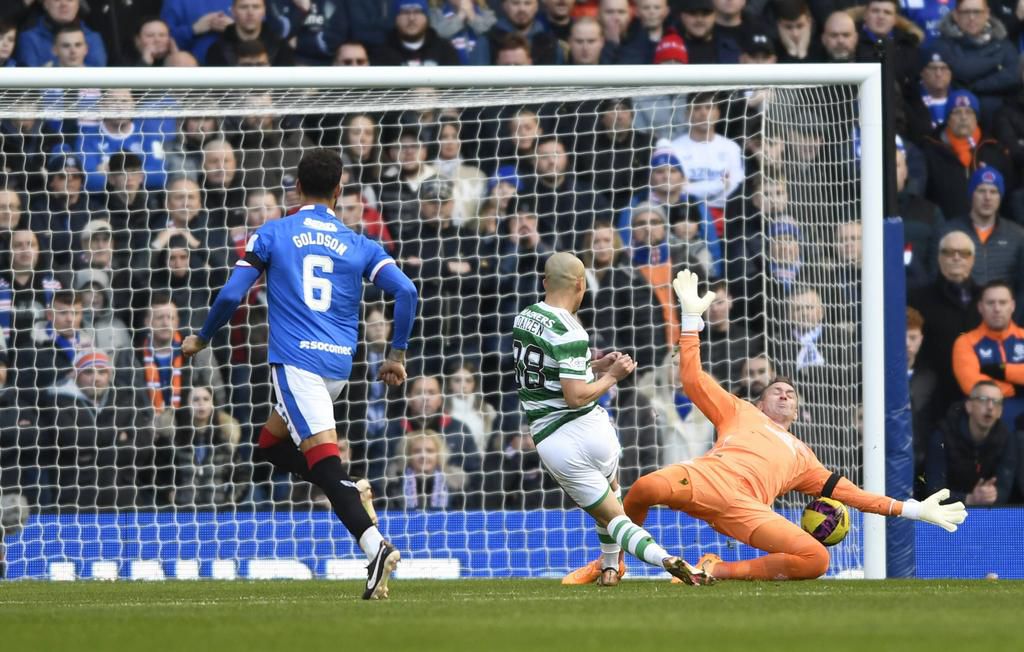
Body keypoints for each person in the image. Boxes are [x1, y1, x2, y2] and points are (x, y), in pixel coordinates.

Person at [566, 270, 968, 583]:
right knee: (644, 488)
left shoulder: (804, 458)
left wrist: (912, 508)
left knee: (816, 559)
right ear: (760, 402)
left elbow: (855, 496)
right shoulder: (740, 411)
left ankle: (716, 569)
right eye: (777, 390)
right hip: (705, 478)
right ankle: (612, 563)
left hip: (747, 509)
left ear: (797, 410)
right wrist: (690, 319)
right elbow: (692, 379)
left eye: (791, 393)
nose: (785, 394)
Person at [182, 147, 418, 600]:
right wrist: (396, 355)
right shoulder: (358, 242)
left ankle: (374, 547)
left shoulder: (272, 233)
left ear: (295, 187)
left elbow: (230, 296)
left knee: (326, 466)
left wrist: (203, 337)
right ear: (339, 190)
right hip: (338, 368)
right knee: (270, 445)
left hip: (296, 364)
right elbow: (406, 291)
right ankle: (349, 489)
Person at [516, 252, 709, 587]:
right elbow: (576, 396)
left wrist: (595, 366)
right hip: (592, 429)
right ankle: (610, 568)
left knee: (612, 516)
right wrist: (613, 376)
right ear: (581, 285)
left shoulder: (525, 318)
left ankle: (663, 558)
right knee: (614, 496)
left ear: (545, 282)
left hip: (554, 438)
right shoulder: (572, 331)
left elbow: (553, 373)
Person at [926, 380, 1018, 505]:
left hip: (988, 512)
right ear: (969, 406)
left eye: (996, 402)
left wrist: (992, 495)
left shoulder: (1006, 438)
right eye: (983, 399)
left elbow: (1004, 488)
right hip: (946, 512)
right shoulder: (943, 435)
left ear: (1000, 411)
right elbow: (934, 491)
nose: (990, 407)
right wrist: (969, 499)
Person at [951, 280, 1024, 426]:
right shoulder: (966, 342)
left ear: (1012, 306)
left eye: (1003, 302)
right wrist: (1015, 388)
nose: (997, 309)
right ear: (980, 307)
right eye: (990, 303)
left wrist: (1002, 370)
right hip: (987, 426)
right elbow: (971, 385)